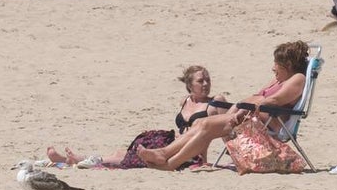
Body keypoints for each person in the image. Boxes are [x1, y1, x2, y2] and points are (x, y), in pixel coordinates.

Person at [139, 40, 311, 171]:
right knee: (201, 124)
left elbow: (272, 101)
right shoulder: (280, 78)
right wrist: (241, 106)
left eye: (277, 67)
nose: (274, 70)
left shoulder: (298, 79)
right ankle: (166, 156)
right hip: (252, 116)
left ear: (288, 66)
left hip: (269, 124)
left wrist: (245, 107)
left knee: (206, 125)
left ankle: (169, 162)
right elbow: (257, 96)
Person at [47, 65, 227, 168]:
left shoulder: (216, 103)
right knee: (123, 153)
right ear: (189, 85)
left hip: (189, 153)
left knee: (131, 158)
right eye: (200, 81)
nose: (205, 84)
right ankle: (71, 159)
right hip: (173, 142)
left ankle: (78, 161)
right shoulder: (185, 101)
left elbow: (227, 130)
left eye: (208, 80)